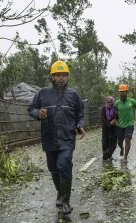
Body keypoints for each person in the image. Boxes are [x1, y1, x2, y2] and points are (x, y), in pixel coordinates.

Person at [28, 60, 85, 215]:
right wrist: (37, 113)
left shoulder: (73, 95)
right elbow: (31, 108)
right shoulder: (43, 93)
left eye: (63, 75)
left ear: (68, 76)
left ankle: (66, 201)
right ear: (52, 77)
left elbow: (80, 113)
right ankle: (60, 192)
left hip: (67, 138)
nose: (61, 78)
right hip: (49, 137)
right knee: (53, 168)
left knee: (64, 165)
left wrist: (80, 125)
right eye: (57, 75)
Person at [114, 84, 136, 162]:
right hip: (120, 125)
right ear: (119, 93)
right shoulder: (116, 103)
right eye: (121, 92)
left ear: (127, 92)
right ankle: (122, 148)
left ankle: (125, 157)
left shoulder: (132, 101)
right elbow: (116, 114)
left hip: (129, 124)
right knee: (119, 141)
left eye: (124, 91)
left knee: (127, 140)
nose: (122, 93)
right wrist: (115, 120)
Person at [101, 96, 117, 161]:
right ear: (106, 102)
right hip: (105, 127)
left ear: (113, 102)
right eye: (108, 102)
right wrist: (109, 123)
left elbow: (117, 116)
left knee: (113, 142)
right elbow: (102, 118)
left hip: (113, 127)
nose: (109, 103)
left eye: (111, 102)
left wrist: (115, 120)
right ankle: (104, 155)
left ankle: (110, 155)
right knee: (105, 141)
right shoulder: (103, 108)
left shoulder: (115, 108)